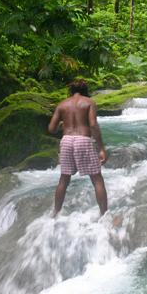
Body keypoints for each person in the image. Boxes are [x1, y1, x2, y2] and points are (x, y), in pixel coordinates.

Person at [48, 78, 108, 217]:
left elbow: (51, 129)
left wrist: (64, 126)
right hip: (83, 140)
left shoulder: (62, 105)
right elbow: (93, 125)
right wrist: (101, 148)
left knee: (64, 179)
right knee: (97, 178)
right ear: (85, 91)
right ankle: (104, 214)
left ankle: (55, 213)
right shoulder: (89, 103)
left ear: (71, 91)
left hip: (67, 141)